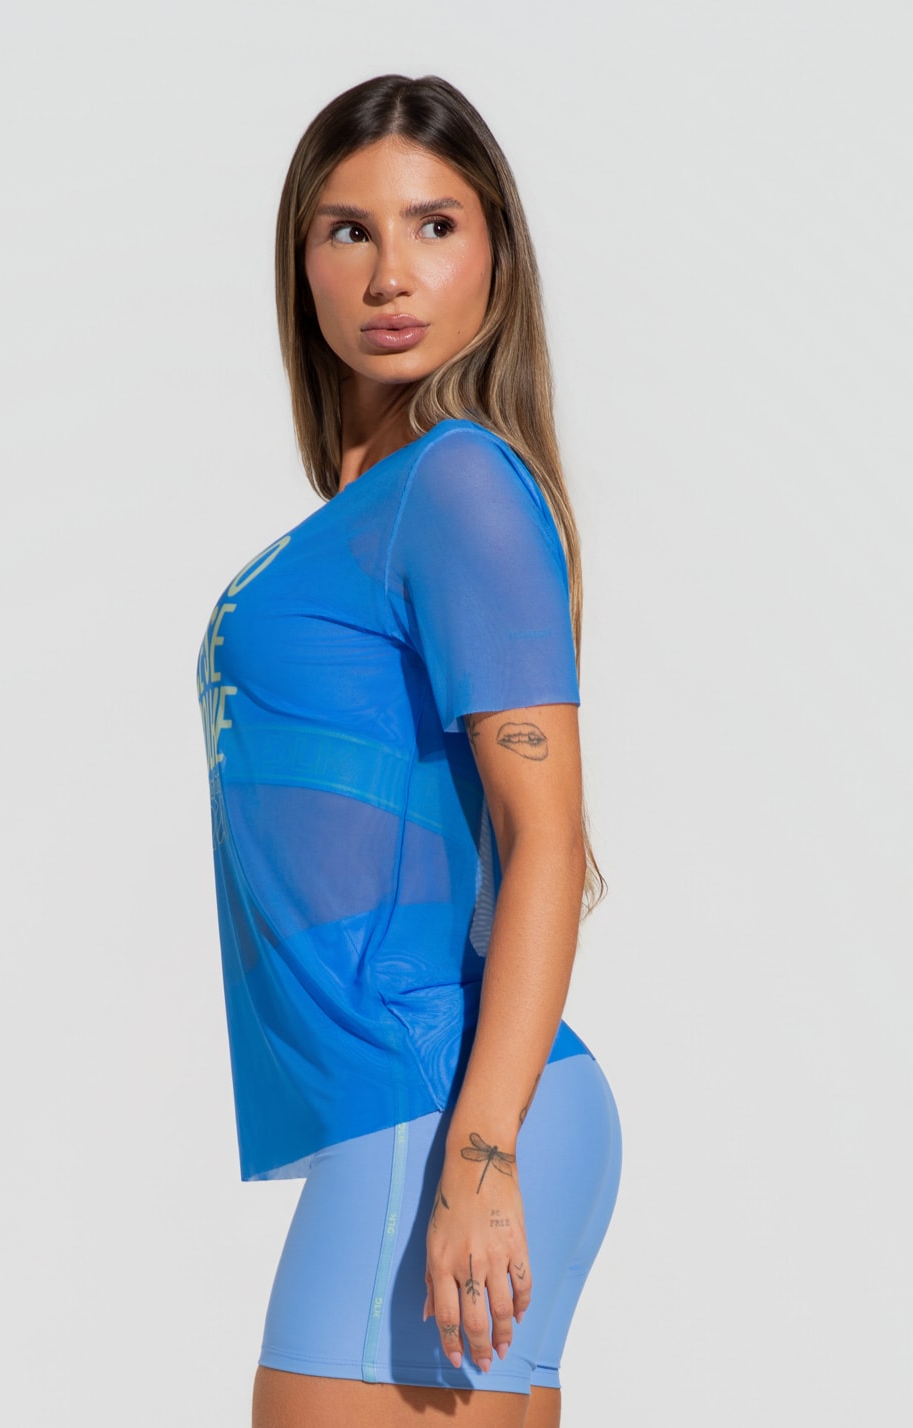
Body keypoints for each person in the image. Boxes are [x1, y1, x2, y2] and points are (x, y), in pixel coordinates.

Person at [196, 74, 622, 1428]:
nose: (392, 274)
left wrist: (479, 1156)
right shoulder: (373, 506)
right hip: (423, 1110)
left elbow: (547, 834)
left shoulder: (459, 481)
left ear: (496, 254)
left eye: (436, 225)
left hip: (437, 1113)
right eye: (350, 230)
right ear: (301, 262)